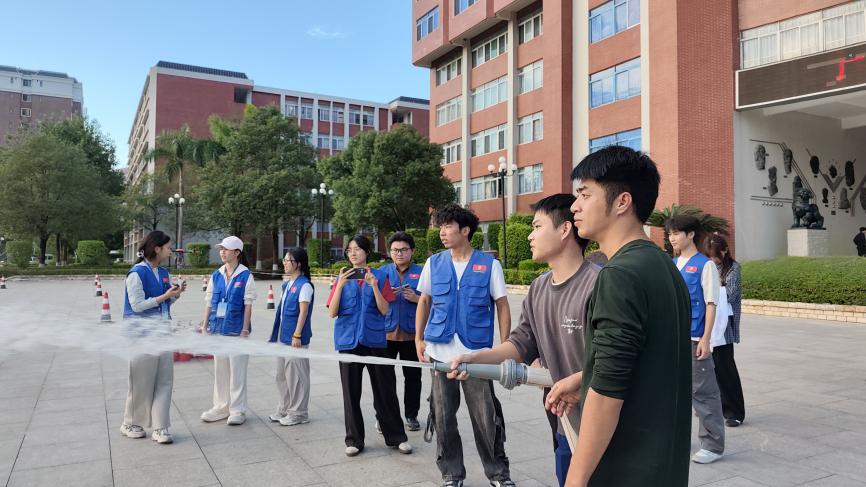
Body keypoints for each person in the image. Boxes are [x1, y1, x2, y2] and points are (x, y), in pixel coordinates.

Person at [547, 146, 692, 486]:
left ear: (622, 202)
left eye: (585, 195)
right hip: (663, 466)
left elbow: (607, 395)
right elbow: (640, 360)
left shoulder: (619, 275)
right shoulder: (662, 266)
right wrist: (585, 378)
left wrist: (575, 478)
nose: (574, 206)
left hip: (625, 469)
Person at [448, 194, 600, 487]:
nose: (530, 236)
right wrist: (474, 358)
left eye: (537, 226)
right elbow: (520, 344)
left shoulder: (598, 284)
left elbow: (617, 360)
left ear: (565, 229)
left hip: (603, 424)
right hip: (563, 421)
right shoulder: (539, 287)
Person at [415, 203, 514, 487]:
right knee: (443, 417)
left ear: (465, 230)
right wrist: (418, 339)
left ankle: (498, 474)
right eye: (441, 227)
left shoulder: (489, 265)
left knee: (486, 417)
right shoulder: (434, 263)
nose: (442, 232)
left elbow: (502, 306)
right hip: (439, 353)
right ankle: (451, 474)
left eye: (448, 227)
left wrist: (504, 347)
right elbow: (424, 301)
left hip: (476, 356)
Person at [326, 235, 413, 457]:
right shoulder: (341, 277)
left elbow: (385, 309)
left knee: (385, 391)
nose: (353, 253)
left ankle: (397, 437)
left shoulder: (381, 276)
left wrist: (374, 286)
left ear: (367, 252)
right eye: (349, 250)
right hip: (348, 341)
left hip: (375, 340)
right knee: (350, 393)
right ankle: (354, 440)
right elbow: (332, 312)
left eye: (357, 249)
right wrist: (340, 285)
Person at [666, 214, 725, 464]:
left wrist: (705, 339)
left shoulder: (705, 265)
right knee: (674, 393)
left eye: (676, 233)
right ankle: (678, 438)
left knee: (704, 393)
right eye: (670, 234)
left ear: (690, 234)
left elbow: (712, 303)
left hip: (694, 337)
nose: (672, 238)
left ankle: (712, 445)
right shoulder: (672, 263)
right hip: (673, 338)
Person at [121, 230, 187, 445]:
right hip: (141, 336)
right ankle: (131, 423)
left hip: (162, 333)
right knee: (141, 381)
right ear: (157, 248)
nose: (170, 251)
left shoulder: (164, 272)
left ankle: (161, 427)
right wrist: (164, 296)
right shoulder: (136, 273)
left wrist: (174, 295)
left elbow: (164, 303)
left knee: (164, 381)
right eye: (168, 247)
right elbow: (137, 305)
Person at [199, 236, 256, 426]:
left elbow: (248, 304)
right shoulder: (217, 274)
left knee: (237, 372)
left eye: (226, 249)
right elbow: (209, 302)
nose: (222, 252)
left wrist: (245, 329)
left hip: (237, 331)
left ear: (237, 252)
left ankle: (237, 410)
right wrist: (205, 326)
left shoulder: (245, 275)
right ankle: (221, 407)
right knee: (220, 371)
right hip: (218, 330)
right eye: (221, 249)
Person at [381, 231, 424, 432]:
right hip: (386, 334)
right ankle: (384, 416)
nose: (399, 253)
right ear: (390, 252)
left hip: (412, 335)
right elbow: (373, 300)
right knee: (384, 379)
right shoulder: (382, 272)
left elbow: (434, 301)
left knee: (413, 378)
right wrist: (386, 296)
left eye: (404, 250)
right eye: (395, 250)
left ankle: (411, 415)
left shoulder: (423, 272)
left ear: (412, 251)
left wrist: (417, 298)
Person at [268, 247, 314, 426]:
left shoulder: (305, 285)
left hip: (296, 338)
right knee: (281, 375)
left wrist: (297, 334)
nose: (285, 263)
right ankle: (285, 408)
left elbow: (303, 312)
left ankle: (299, 413)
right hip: (283, 336)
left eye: (289, 261)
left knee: (297, 377)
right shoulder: (287, 284)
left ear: (299, 264)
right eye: (285, 260)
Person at [707, 234, 745, 427]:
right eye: (710, 256)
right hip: (707, 326)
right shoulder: (709, 267)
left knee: (725, 368)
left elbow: (730, 294)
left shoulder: (733, 268)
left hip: (724, 328)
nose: (714, 259)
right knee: (710, 370)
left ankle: (734, 412)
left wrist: (712, 289)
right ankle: (718, 407)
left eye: (716, 255)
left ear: (725, 250)